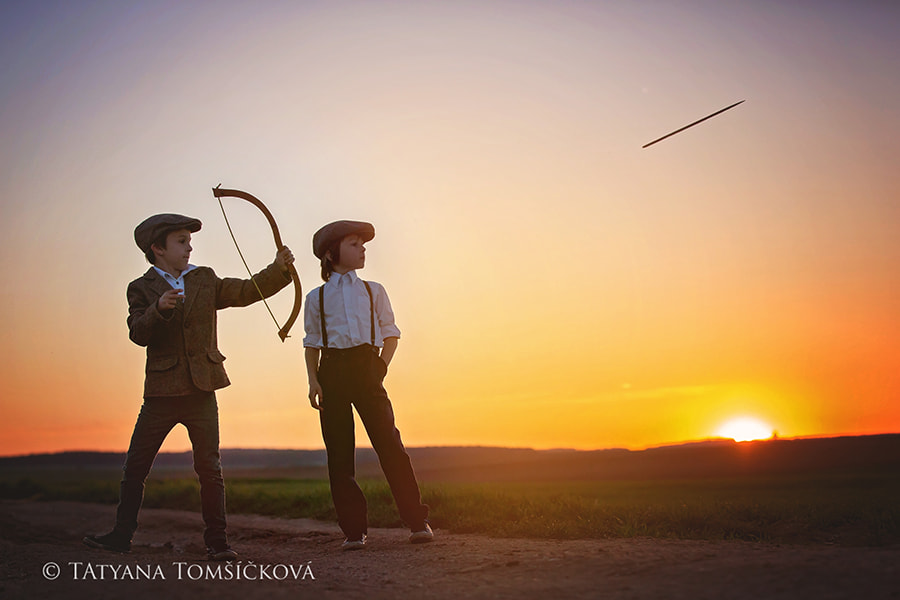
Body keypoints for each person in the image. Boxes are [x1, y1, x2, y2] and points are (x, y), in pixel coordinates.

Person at [83, 213, 294, 560]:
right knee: (135, 466)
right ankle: (122, 535)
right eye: (181, 241)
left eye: (188, 240)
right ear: (157, 248)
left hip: (202, 390)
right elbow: (138, 332)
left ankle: (218, 542)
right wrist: (158, 308)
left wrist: (279, 269)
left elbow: (243, 291)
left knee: (210, 470)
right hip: (161, 394)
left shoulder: (204, 279)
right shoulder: (140, 288)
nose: (189, 246)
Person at [303, 220, 432, 551]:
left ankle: (417, 521)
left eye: (363, 244)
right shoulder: (316, 298)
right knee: (340, 454)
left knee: (390, 445)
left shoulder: (374, 290)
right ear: (332, 254)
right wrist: (313, 379)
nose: (362, 250)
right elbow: (312, 343)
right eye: (354, 244)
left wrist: (379, 368)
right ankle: (353, 531)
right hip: (331, 372)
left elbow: (391, 333)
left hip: (367, 368)